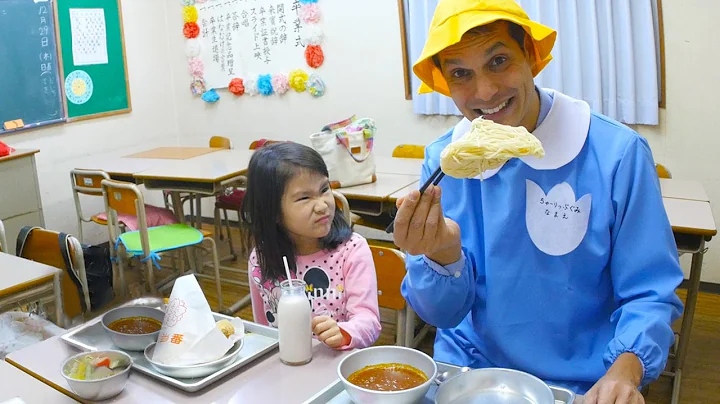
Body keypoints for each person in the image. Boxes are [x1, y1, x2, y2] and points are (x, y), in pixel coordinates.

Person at [393, 1, 684, 402]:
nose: (485, 92)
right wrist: (442, 255)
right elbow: (442, 315)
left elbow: (650, 292)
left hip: (582, 383)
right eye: (461, 73)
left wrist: (627, 368)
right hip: (471, 376)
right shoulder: (447, 163)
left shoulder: (616, 154)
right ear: (444, 81)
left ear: (530, 56)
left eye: (498, 60)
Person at [242, 142, 381, 350]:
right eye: (304, 197)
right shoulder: (260, 259)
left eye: (324, 189)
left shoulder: (351, 250)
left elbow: (368, 320)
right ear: (273, 212)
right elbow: (264, 328)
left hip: (337, 366)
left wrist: (345, 333)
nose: (322, 205)